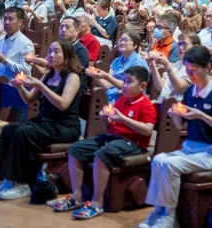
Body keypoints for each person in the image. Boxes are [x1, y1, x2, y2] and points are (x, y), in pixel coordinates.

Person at [142, 46, 212, 228]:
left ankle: (168, 217)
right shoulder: (191, 92)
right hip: (191, 148)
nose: (190, 75)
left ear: (207, 66)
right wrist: (176, 116)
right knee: (158, 160)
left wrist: (201, 115)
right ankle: (158, 211)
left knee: (169, 164)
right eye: (188, 70)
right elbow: (181, 126)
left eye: (194, 70)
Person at [54, 66, 155, 220]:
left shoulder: (146, 104)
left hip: (132, 143)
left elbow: (147, 131)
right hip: (113, 138)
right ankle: (77, 196)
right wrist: (104, 119)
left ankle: (97, 201)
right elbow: (110, 128)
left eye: (129, 82)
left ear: (142, 86)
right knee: (75, 149)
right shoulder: (121, 100)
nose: (124, 85)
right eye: (124, 81)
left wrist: (124, 119)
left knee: (102, 154)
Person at [0, 38, 82, 201]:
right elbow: (29, 99)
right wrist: (20, 88)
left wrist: (41, 86)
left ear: (67, 55)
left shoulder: (72, 77)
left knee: (24, 133)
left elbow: (63, 104)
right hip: (46, 123)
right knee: (9, 129)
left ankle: (21, 183)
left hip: (64, 126)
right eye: (50, 52)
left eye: (56, 52)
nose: (51, 55)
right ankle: (8, 180)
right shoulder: (48, 75)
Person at [0, 7, 35, 120]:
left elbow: (26, 70)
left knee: (19, 124)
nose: (7, 22)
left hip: (17, 91)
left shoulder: (26, 44)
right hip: (0, 88)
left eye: (10, 19)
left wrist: (4, 60)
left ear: (20, 22)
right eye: (5, 19)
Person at [88, 31, 148, 104]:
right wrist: (95, 76)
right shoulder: (117, 61)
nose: (122, 42)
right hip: (111, 97)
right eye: (120, 40)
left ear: (135, 45)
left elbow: (130, 87)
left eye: (126, 40)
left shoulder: (139, 62)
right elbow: (107, 86)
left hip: (129, 100)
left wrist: (106, 76)